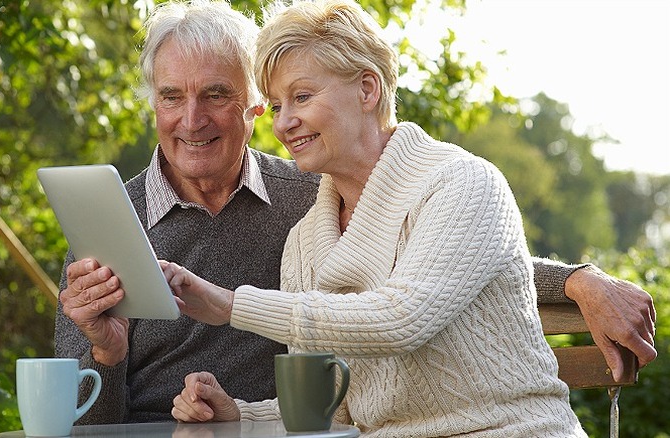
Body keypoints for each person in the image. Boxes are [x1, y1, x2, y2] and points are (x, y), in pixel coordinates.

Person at [53, 0, 656, 425]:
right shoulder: (113, 221)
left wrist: (578, 279)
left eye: (216, 95)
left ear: (248, 110)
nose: (192, 119)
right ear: (152, 105)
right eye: (171, 97)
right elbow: (76, 416)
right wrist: (108, 354)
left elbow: (436, 272)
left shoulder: (305, 195)